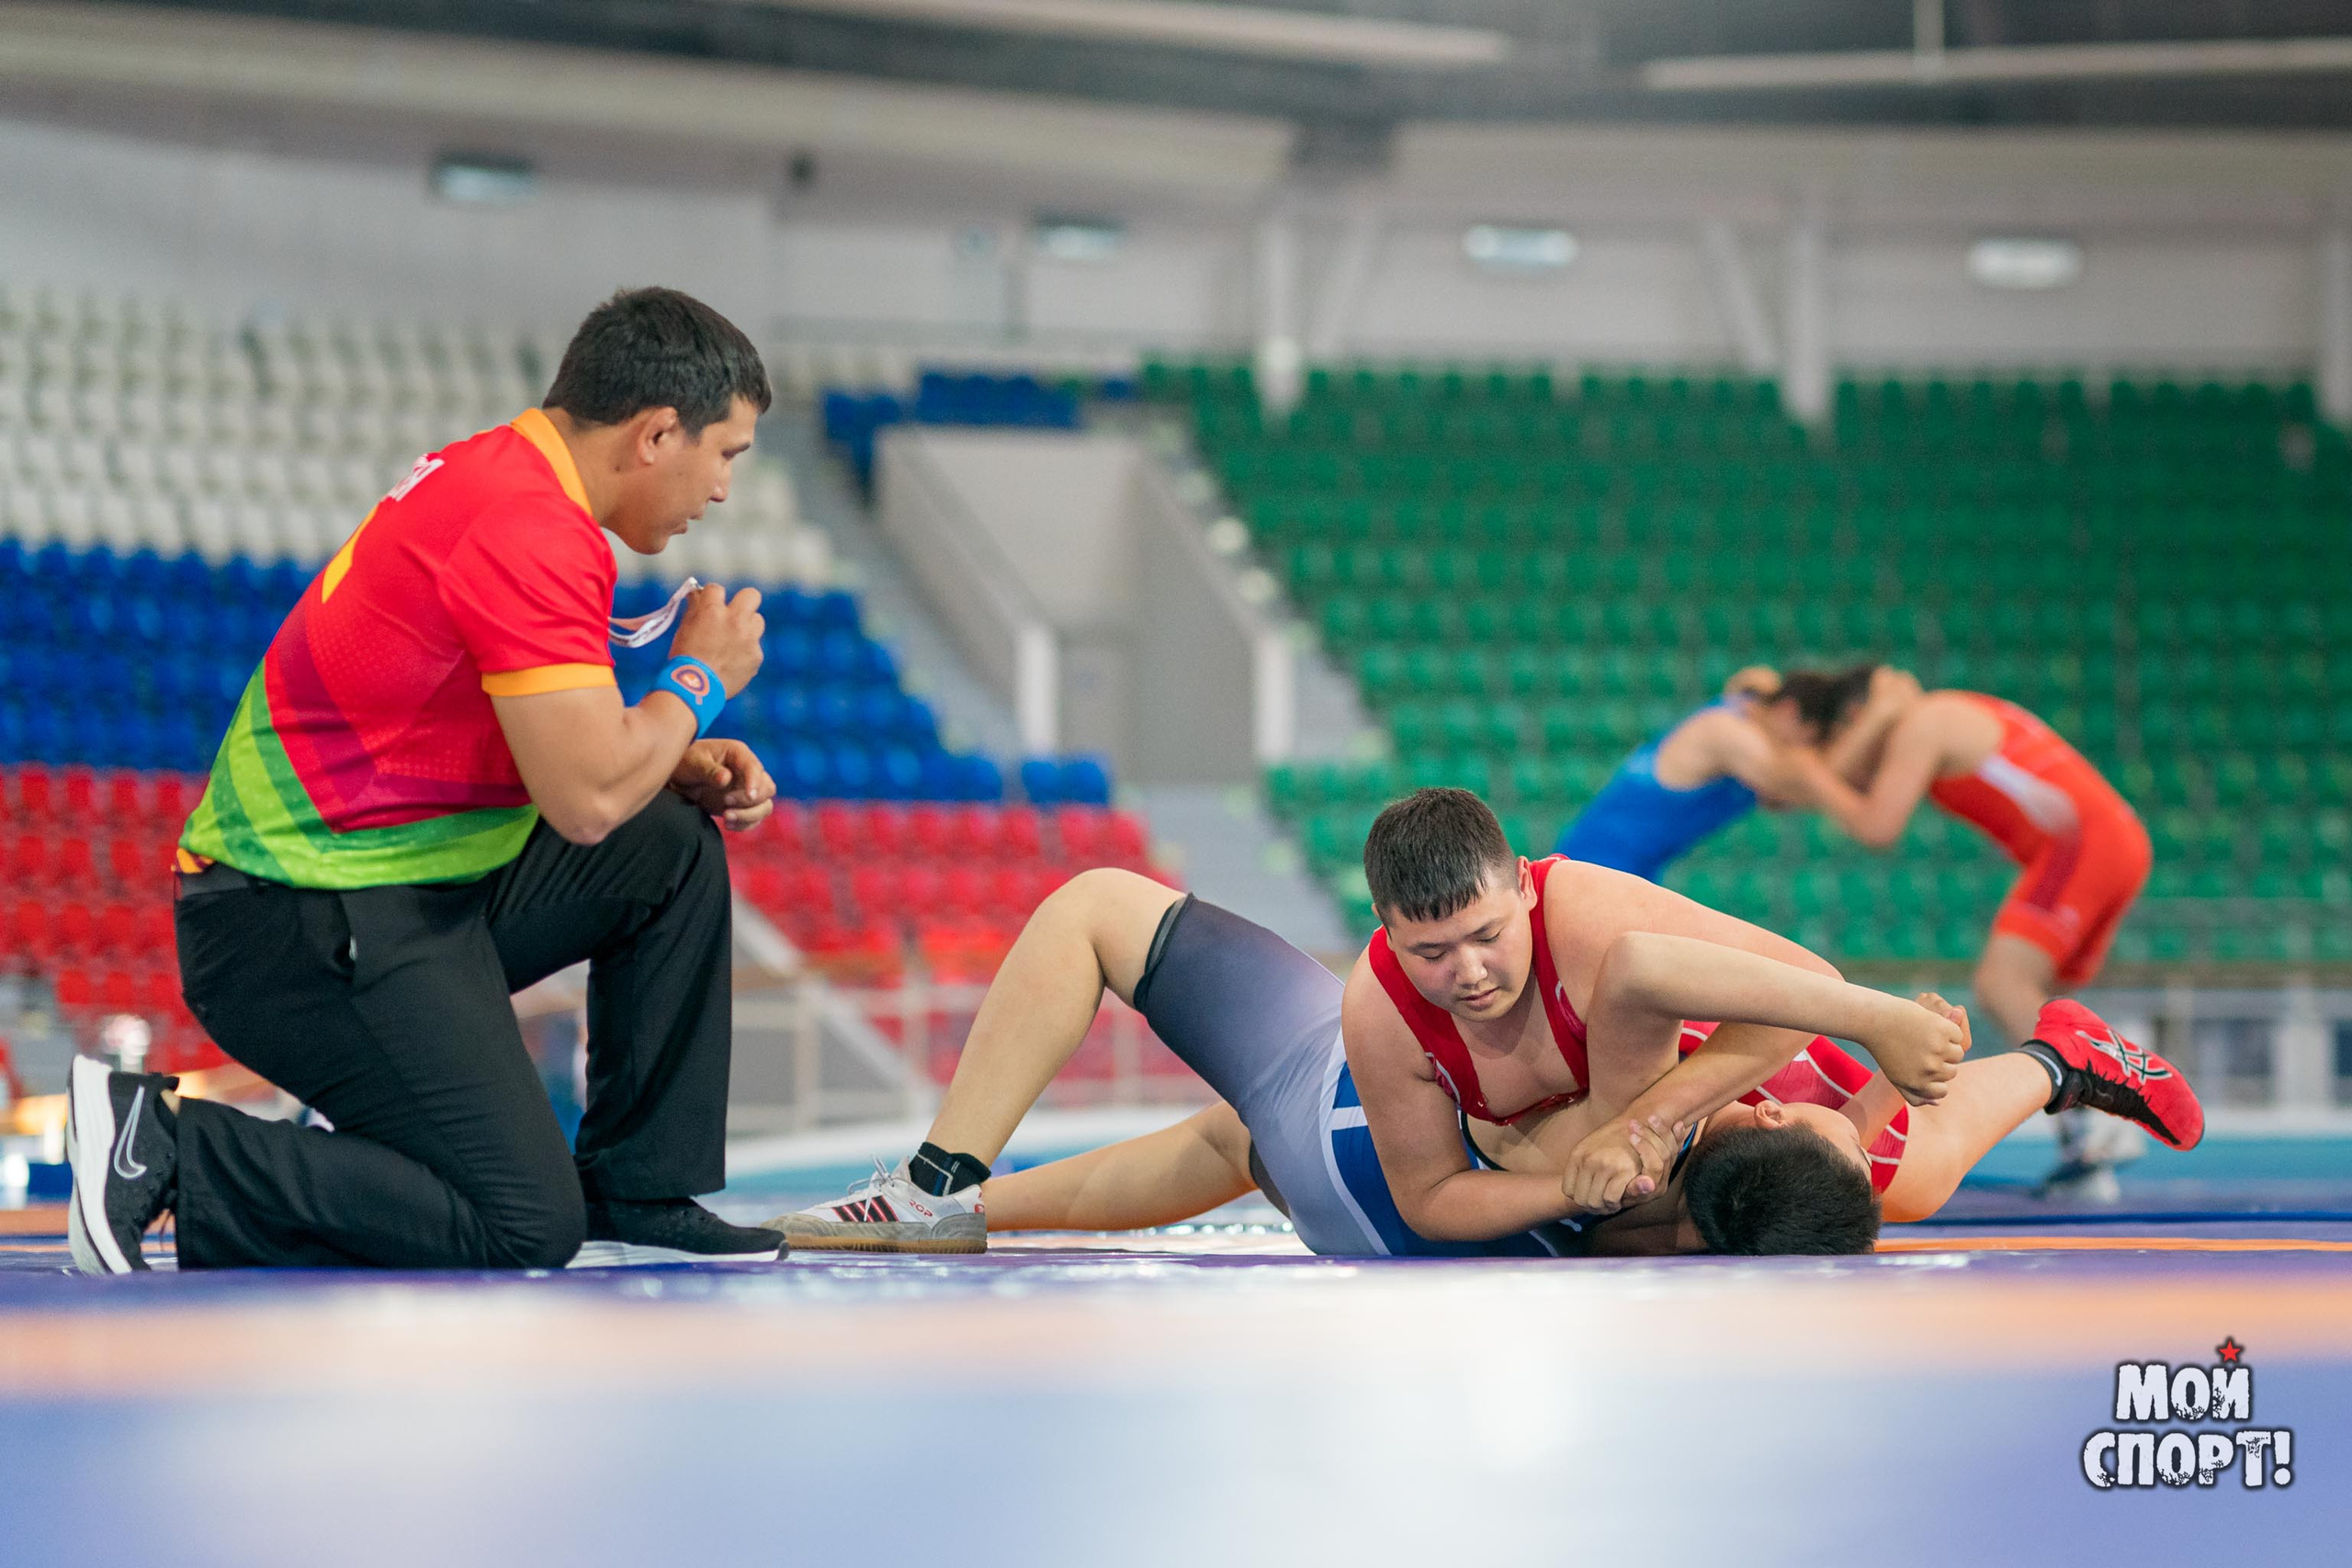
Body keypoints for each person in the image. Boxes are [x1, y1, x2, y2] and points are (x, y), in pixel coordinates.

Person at [64, 287, 789, 1273]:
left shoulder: (501, 469)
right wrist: (696, 686)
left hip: (396, 880)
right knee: (522, 1223)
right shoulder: (530, 525)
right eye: (727, 455)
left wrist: (669, 755)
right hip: (294, 919)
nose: (722, 491)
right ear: (658, 433)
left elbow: (522, 731)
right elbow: (582, 801)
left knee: (662, 842)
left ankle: (638, 1183)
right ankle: (174, 1149)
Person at [764, 790, 1997, 1256]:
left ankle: (938, 1194)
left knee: (1253, 1116)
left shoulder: (1629, 1055)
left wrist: (1573, 1165)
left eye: (1484, 939)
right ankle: (950, 1199)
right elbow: (1776, 1024)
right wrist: (1896, 1032)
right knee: (1240, 1136)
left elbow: (1432, 1199)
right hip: (1366, 1142)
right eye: (1430, 951)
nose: (1465, 973)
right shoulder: (1664, 1084)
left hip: (1378, 1186)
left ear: (1522, 885)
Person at [1764, 663, 2156, 1197]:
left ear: (1858, 715)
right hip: (2105, 839)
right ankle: (2087, 1144)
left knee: (2003, 985)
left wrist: (1812, 776)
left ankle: (2100, 1113)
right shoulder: (1943, 712)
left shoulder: (1921, 722)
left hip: (2080, 844)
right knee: (2042, 1004)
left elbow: (1877, 825)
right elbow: (1849, 778)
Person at [1555, 666, 1795, 879]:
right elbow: (1789, 787)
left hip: (1624, 866)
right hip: (1601, 865)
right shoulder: (1727, 732)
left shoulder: (1742, 743)